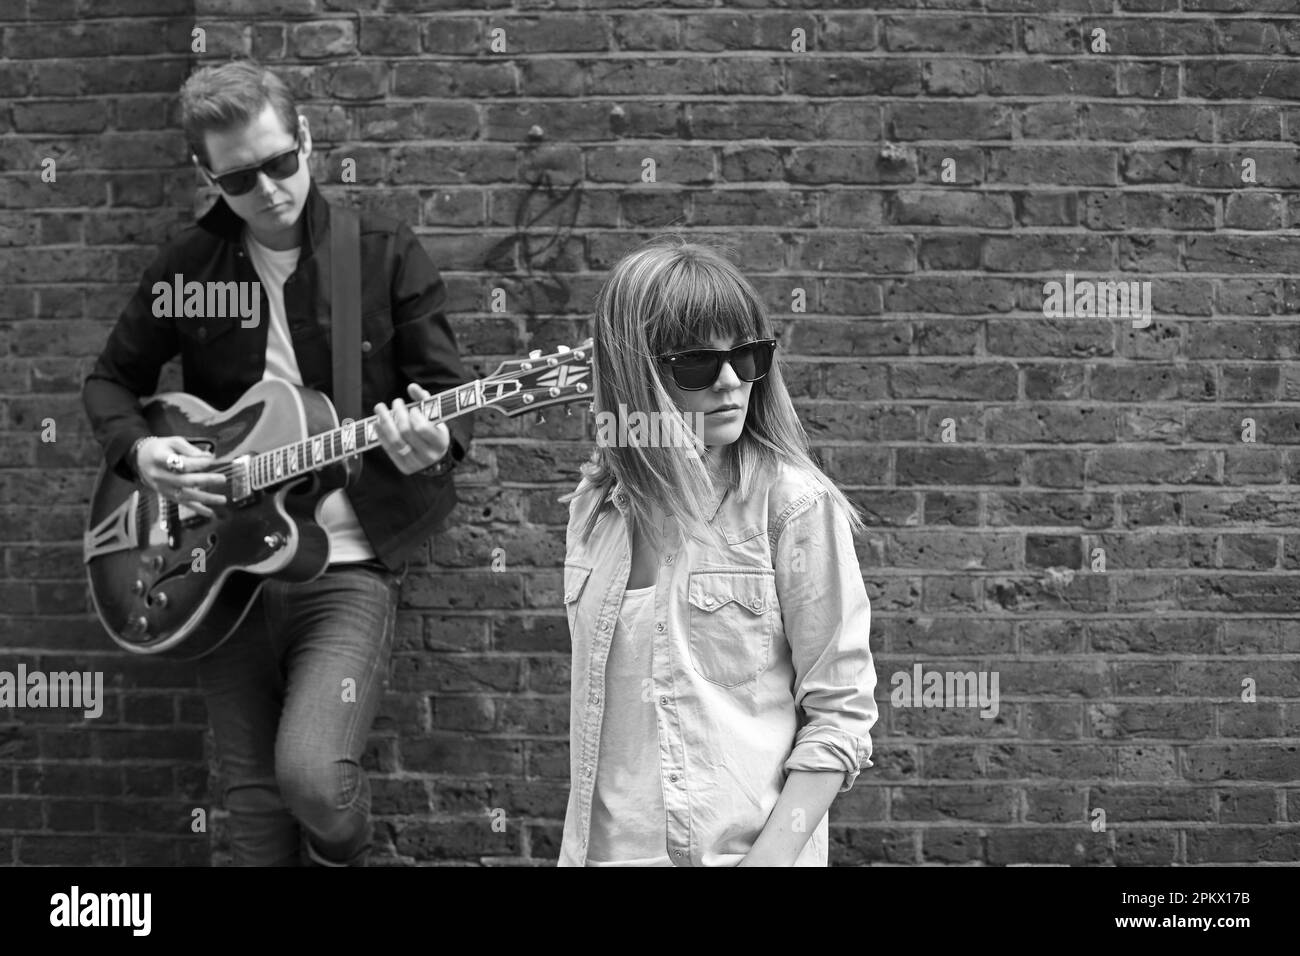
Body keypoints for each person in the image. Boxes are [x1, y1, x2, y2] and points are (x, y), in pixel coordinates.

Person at [81, 59, 474, 866]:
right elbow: (110, 383)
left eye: (280, 162)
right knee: (254, 812)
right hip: (215, 568)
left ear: (307, 141)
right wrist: (144, 448)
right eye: (238, 179)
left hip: (345, 565)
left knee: (312, 780)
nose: (266, 190)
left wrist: (432, 444)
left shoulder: (381, 254)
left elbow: (445, 399)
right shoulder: (188, 269)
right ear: (208, 176)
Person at [557, 237, 878, 867]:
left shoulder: (790, 505)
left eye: (749, 355)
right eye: (698, 366)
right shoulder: (594, 511)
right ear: (635, 374)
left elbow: (840, 715)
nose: (732, 382)